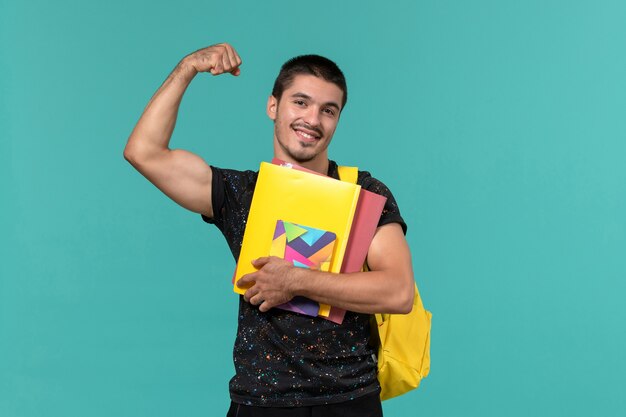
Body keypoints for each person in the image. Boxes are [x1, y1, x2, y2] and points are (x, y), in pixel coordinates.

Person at [124, 43, 415, 417]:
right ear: (273, 106)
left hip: (350, 401)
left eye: (329, 110)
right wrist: (188, 67)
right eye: (301, 102)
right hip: (261, 403)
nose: (313, 119)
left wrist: (295, 280)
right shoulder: (240, 193)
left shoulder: (364, 193)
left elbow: (398, 291)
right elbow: (143, 152)